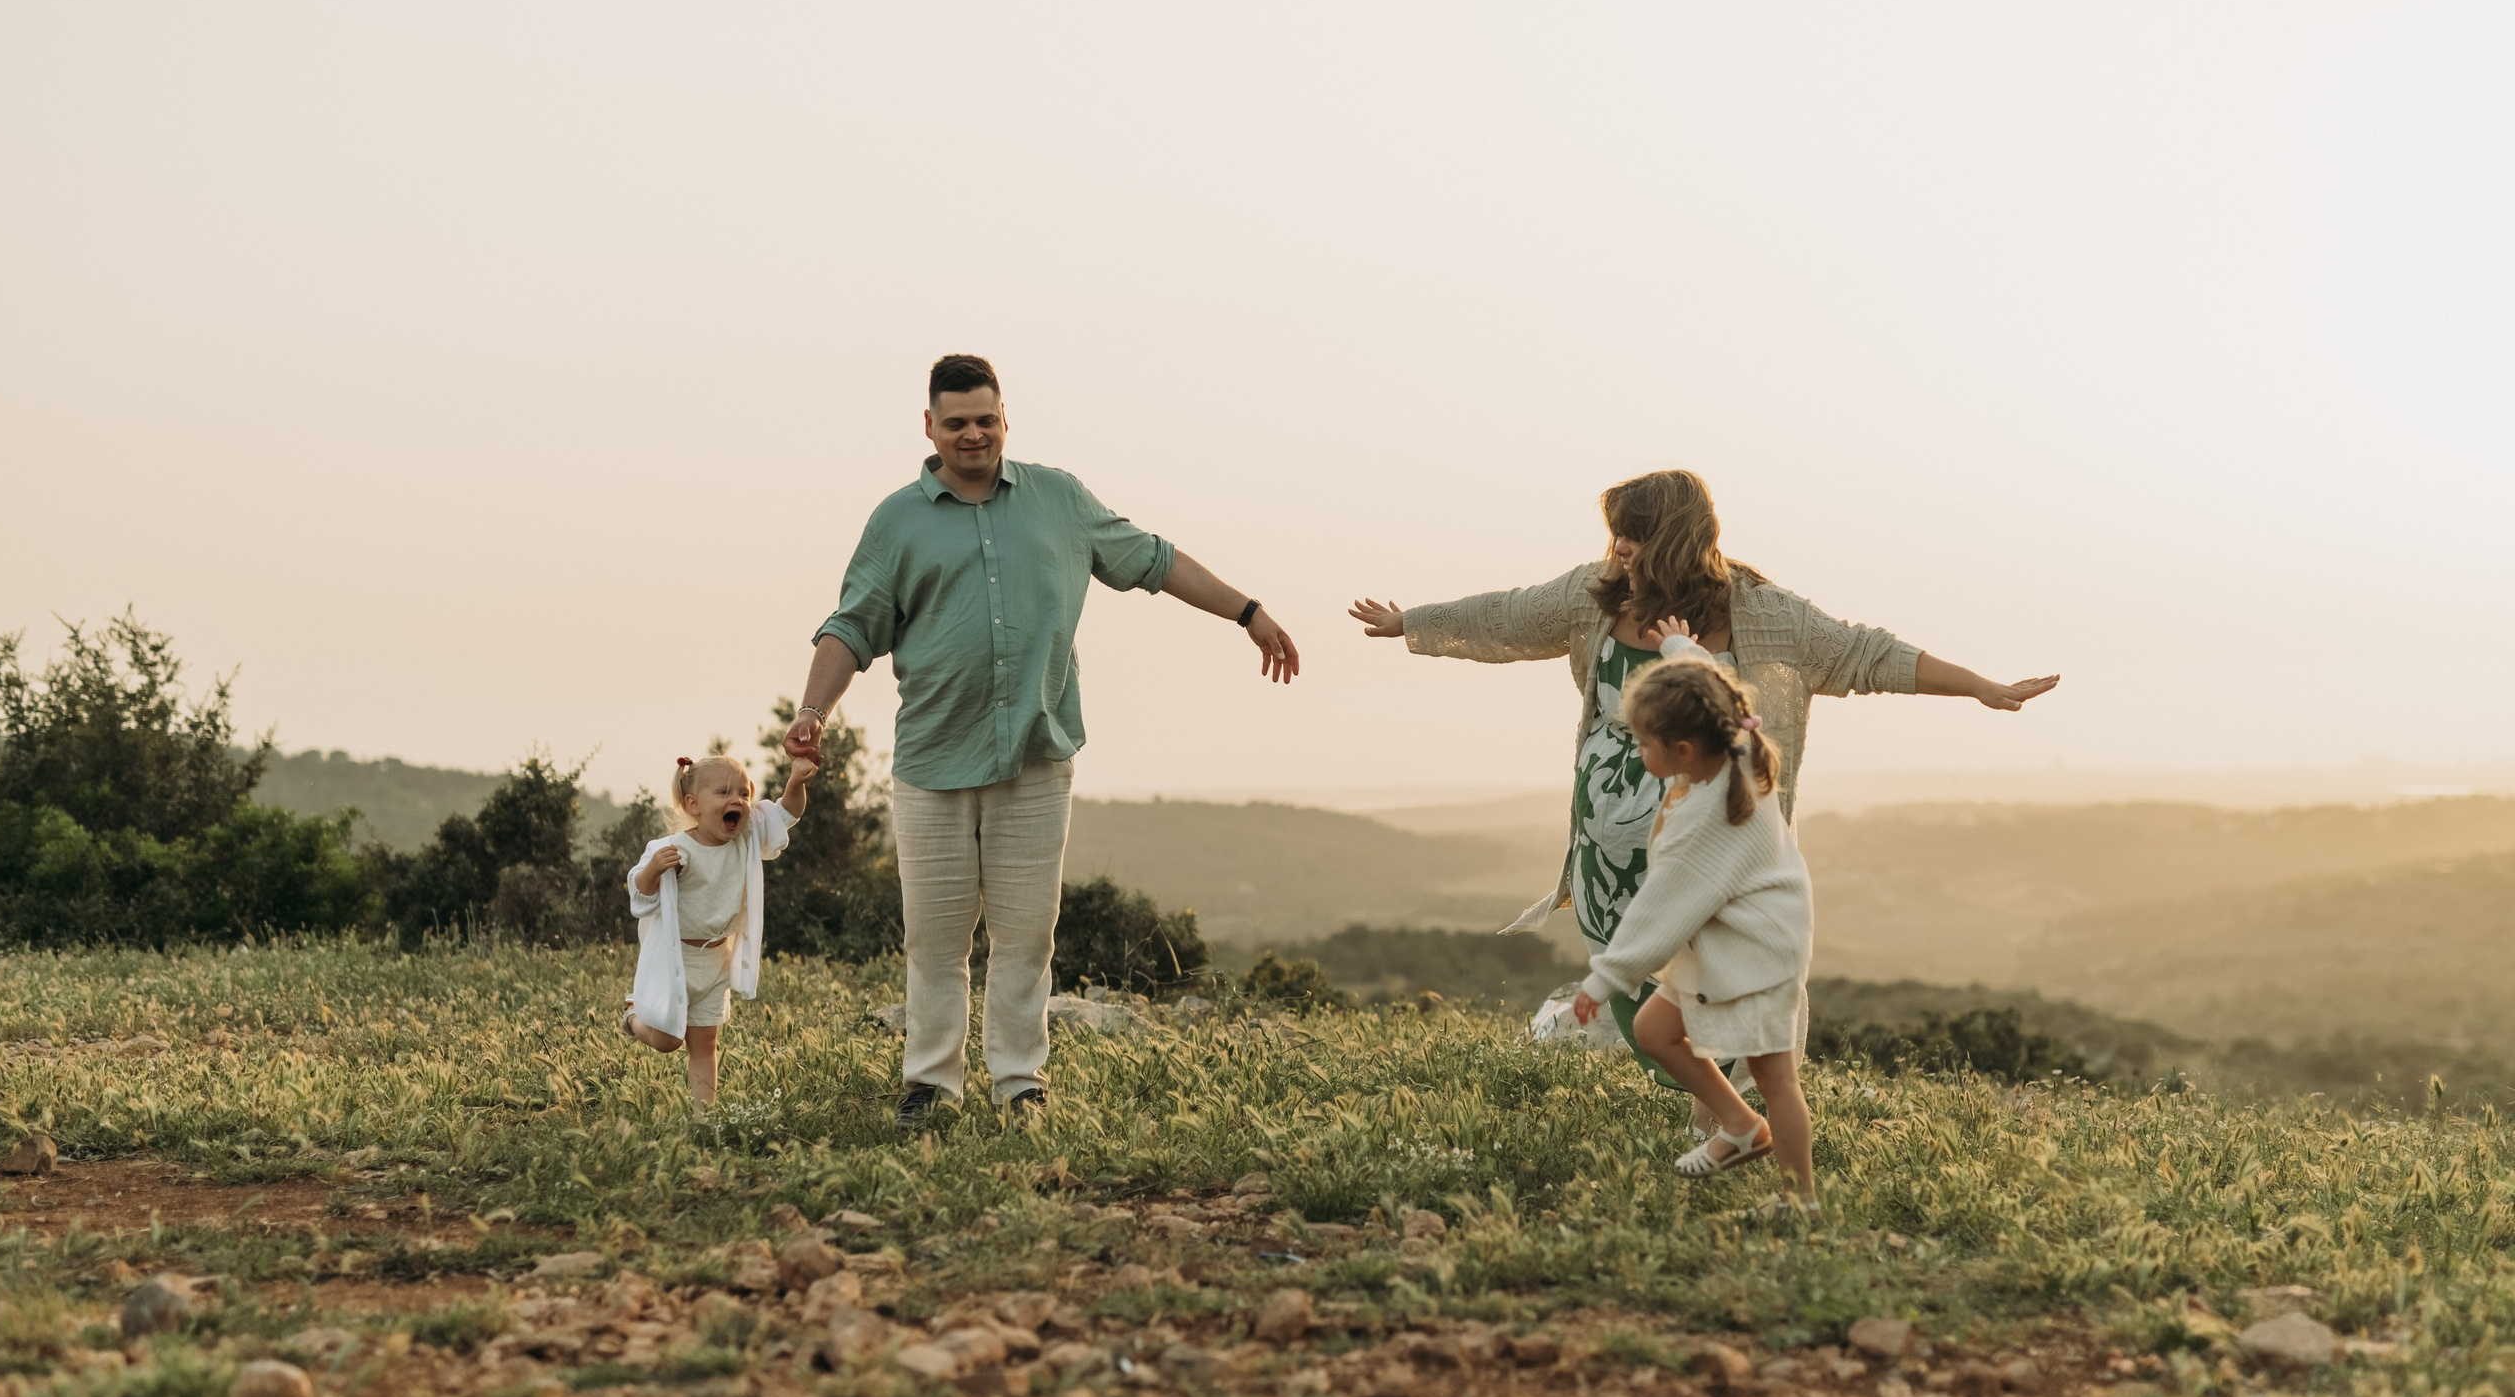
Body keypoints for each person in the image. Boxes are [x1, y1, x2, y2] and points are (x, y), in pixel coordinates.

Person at [1351, 468, 2057, 1109]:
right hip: (1604, 837)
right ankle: (1703, 1093)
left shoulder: (1765, 615)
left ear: (1674, 537)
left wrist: (1979, 686)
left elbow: (1866, 652)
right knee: (1628, 962)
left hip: (1708, 836)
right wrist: (1412, 622)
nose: (1619, 547)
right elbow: (1507, 616)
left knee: (1723, 964)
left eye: (1633, 533)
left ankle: (1738, 1097)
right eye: (1615, 532)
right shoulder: (1592, 596)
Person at [786, 354, 1300, 1130]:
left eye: (985, 419)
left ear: (1005, 420)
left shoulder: (1060, 500)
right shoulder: (896, 521)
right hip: (932, 765)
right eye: (956, 422)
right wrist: (812, 711)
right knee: (936, 942)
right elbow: (853, 626)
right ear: (929, 427)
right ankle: (931, 1085)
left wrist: (1248, 612)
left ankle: (1019, 1084)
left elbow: (1154, 560)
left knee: (1027, 938)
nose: (972, 434)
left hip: (1035, 759)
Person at [1565, 641, 1818, 1204]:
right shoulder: (1735, 744)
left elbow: (1657, 914)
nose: (1637, 750)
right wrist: (1678, 647)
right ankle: (1742, 1125)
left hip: (1758, 954)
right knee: (1655, 1031)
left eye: (1642, 743)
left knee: (1777, 1081)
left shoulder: (1704, 821)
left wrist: (1603, 980)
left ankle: (1799, 1201)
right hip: (1734, 942)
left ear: (1681, 749)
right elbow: (1713, 681)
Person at [623, 753, 814, 1106]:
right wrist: (652, 871)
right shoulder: (673, 849)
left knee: (705, 1043)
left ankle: (704, 1115)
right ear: (693, 805)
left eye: (744, 793)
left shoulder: (747, 836)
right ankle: (633, 1015)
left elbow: (787, 814)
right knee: (668, 1042)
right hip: (676, 960)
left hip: (717, 959)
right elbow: (640, 896)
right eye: (724, 792)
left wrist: (796, 782)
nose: (736, 800)